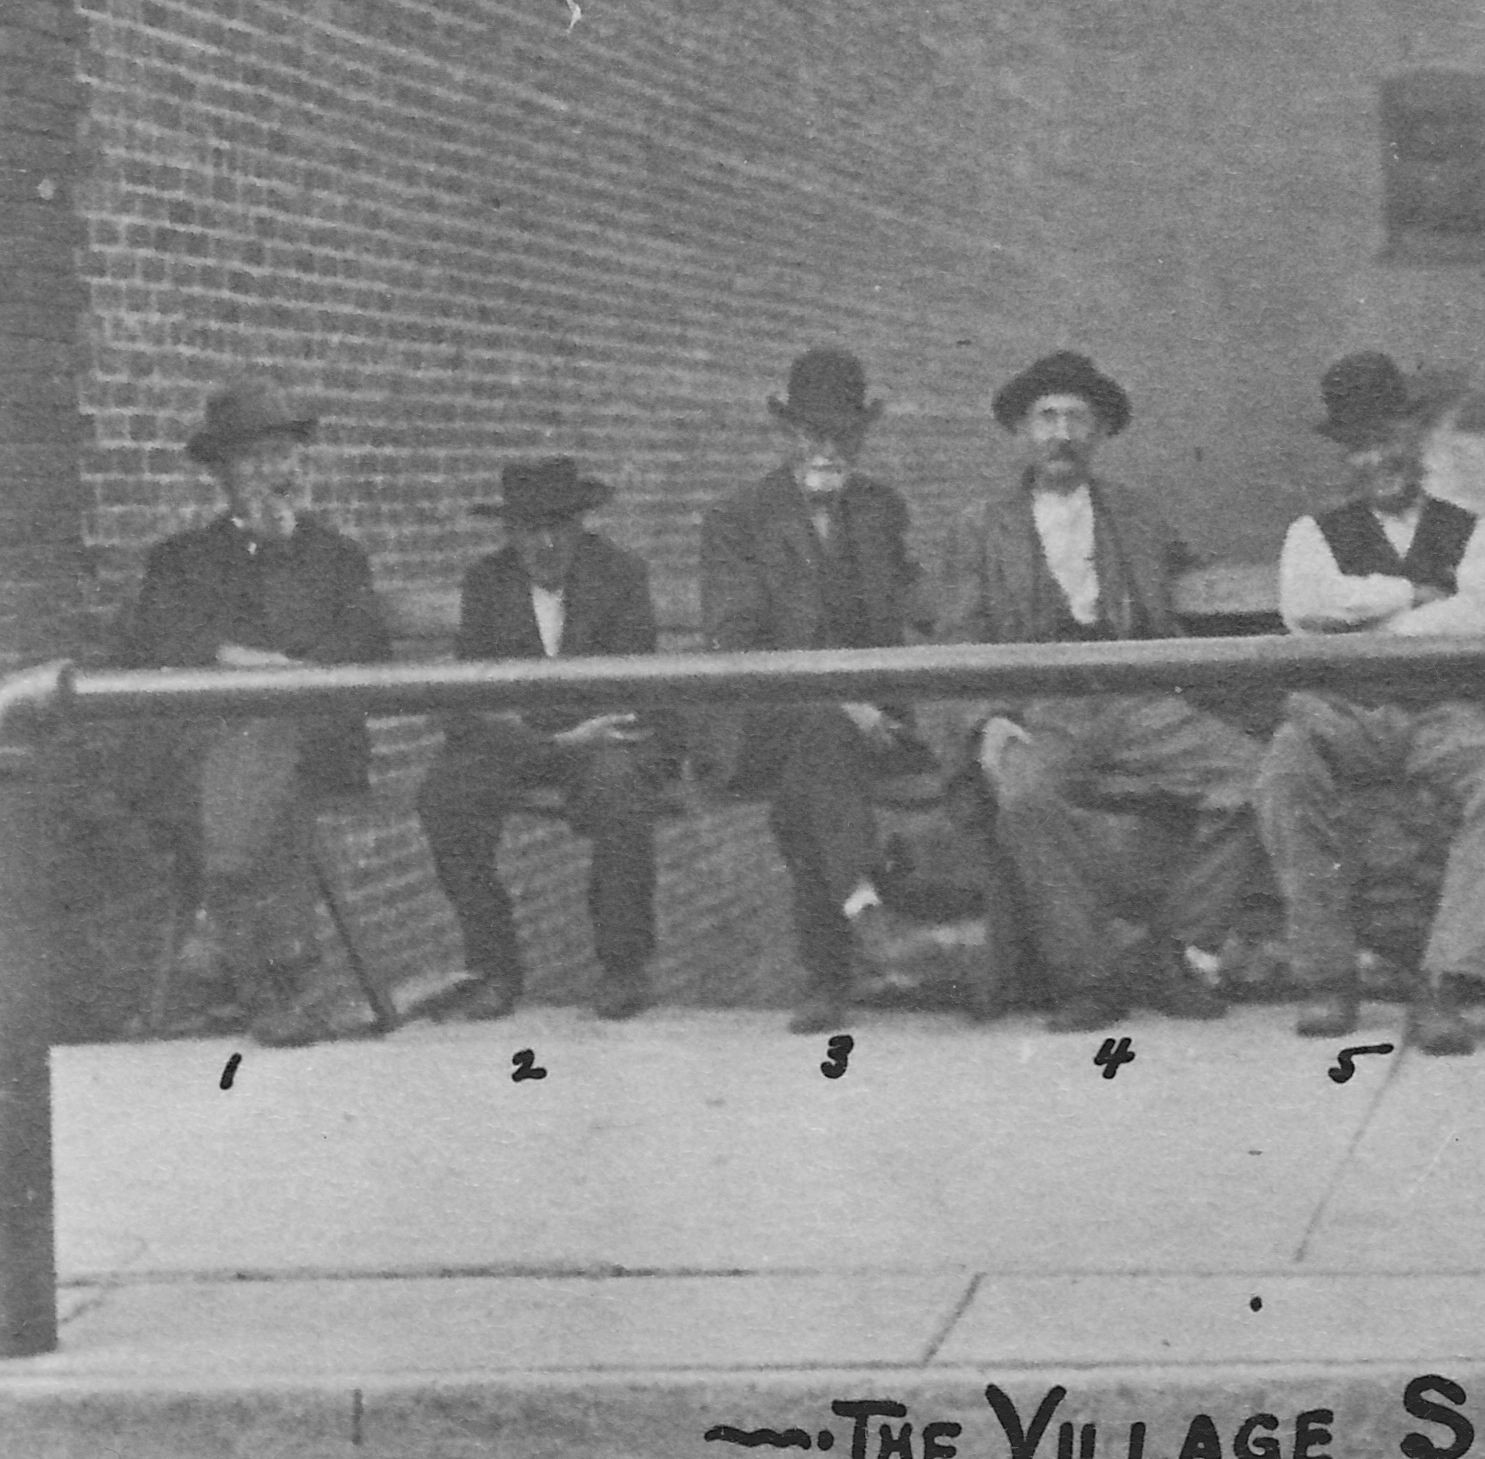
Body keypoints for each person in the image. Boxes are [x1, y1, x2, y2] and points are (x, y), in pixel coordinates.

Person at [929, 348, 1264, 1034]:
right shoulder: (980, 526)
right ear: (1024, 432)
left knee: (1254, 777)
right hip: (1038, 703)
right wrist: (986, 721)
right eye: (1047, 417)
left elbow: (1195, 592)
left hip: (1136, 697)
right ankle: (1089, 974)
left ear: (1100, 434)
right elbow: (957, 639)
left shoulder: (1136, 517)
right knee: (1022, 796)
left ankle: (1171, 951)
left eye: (1077, 419)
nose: (1061, 433)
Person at [1254, 351, 1485, 1057]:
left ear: (1418, 440)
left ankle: (1448, 979)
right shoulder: (1312, 535)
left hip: (1440, 714)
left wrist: (1368, 624)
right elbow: (1307, 610)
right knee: (1282, 775)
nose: (1382, 455)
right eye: (1363, 442)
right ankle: (1327, 974)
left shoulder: (1469, 531)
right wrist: (1411, 596)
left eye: (1394, 436)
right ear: (1345, 455)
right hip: (1338, 714)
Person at [114, 381, 392, 1047]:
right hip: (200, 757)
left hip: (314, 743)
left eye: (285, 455)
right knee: (247, 754)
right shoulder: (182, 561)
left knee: (266, 737)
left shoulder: (334, 558)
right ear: (222, 474)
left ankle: (222, 934)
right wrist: (248, 663)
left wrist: (284, 553)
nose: (275, 472)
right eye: (255, 458)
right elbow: (158, 644)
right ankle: (285, 984)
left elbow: (356, 651)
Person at [702, 347, 924, 1037]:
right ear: (788, 435)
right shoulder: (739, 518)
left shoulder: (882, 510)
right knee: (819, 743)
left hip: (869, 727)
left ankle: (829, 974)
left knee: (810, 784)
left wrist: (881, 706)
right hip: (767, 719)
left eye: (842, 434)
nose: (827, 448)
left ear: (861, 436)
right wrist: (845, 705)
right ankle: (860, 904)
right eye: (812, 433)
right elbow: (739, 640)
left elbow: (906, 608)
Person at [418, 458, 670, 1024]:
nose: (547, 543)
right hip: (521, 742)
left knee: (618, 787)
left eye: (559, 526)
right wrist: (542, 739)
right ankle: (495, 967)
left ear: (581, 526)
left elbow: (637, 684)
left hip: (603, 736)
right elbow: (471, 694)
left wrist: (587, 735)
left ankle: (623, 967)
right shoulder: (487, 583)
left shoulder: (619, 574)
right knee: (445, 796)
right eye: (531, 529)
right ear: (511, 533)